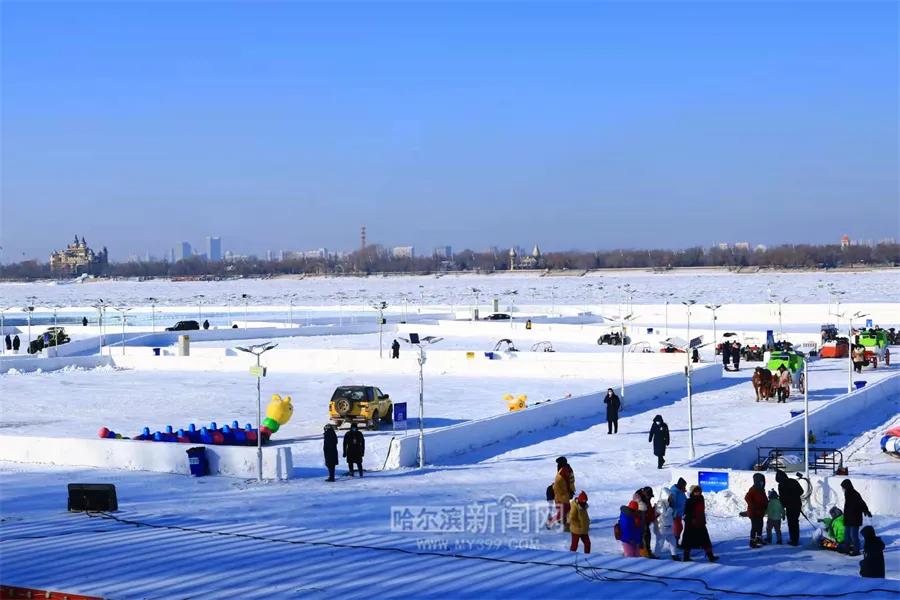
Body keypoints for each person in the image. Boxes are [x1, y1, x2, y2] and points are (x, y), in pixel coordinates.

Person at [682, 485, 719, 562]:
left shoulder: (701, 499)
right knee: (688, 541)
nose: (698, 492)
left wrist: (702, 520)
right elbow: (686, 513)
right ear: (692, 492)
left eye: (699, 491)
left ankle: (710, 557)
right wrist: (692, 519)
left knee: (706, 540)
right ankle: (686, 557)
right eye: (696, 491)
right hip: (691, 525)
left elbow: (701, 511)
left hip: (700, 523)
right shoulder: (689, 501)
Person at [841, 479, 872, 556]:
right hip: (848, 518)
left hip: (855, 518)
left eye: (843, 487)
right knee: (846, 535)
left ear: (847, 486)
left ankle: (856, 550)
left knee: (853, 535)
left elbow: (861, 502)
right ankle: (846, 548)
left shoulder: (855, 494)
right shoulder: (847, 493)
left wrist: (866, 510)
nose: (843, 489)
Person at [775, 469, 803, 545]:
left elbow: (782, 498)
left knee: (791, 523)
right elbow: (801, 491)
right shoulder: (793, 481)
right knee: (795, 522)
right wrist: (794, 496)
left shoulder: (781, 485)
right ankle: (796, 539)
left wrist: (782, 505)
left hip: (790, 507)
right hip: (797, 504)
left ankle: (793, 540)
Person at [655, 489, 681, 561]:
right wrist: (670, 508)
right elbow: (664, 514)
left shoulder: (668, 503)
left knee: (673, 541)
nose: (671, 498)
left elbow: (669, 515)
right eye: (669, 496)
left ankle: (674, 554)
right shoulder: (660, 503)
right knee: (660, 542)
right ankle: (656, 556)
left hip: (669, 526)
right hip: (662, 527)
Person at [551, 457, 576, 531]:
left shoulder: (565, 470)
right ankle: (562, 520)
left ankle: (567, 525)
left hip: (564, 492)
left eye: (559, 463)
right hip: (559, 492)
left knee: (565, 508)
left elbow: (570, 481)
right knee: (561, 507)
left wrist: (571, 490)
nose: (558, 465)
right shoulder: (562, 469)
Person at [744, 473, 768, 548]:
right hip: (753, 512)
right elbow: (747, 497)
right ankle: (752, 541)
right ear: (756, 481)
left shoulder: (761, 490)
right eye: (760, 482)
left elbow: (764, 499)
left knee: (760, 526)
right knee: (754, 527)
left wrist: (767, 504)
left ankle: (759, 539)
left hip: (760, 512)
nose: (762, 483)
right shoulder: (753, 489)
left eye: (762, 482)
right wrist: (753, 505)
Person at [636, 487, 657, 558]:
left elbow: (649, 511)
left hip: (643, 521)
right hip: (641, 522)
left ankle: (645, 551)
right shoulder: (641, 502)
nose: (650, 498)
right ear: (646, 494)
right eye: (649, 496)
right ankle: (645, 552)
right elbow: (645, 514)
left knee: (646, 535)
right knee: (645, 536)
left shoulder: (645, 499)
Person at [669, 477, 688, 546]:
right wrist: (674, 514)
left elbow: (684, 499)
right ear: (680, 484)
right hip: (675, 515)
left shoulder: (680, 490)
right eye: (684, 485)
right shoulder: (674, 492)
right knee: (677, 528)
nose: (684, 487)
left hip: (679, 514)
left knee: (679, 528)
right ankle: (674, 543)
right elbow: (672, 504)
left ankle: (675, 542)